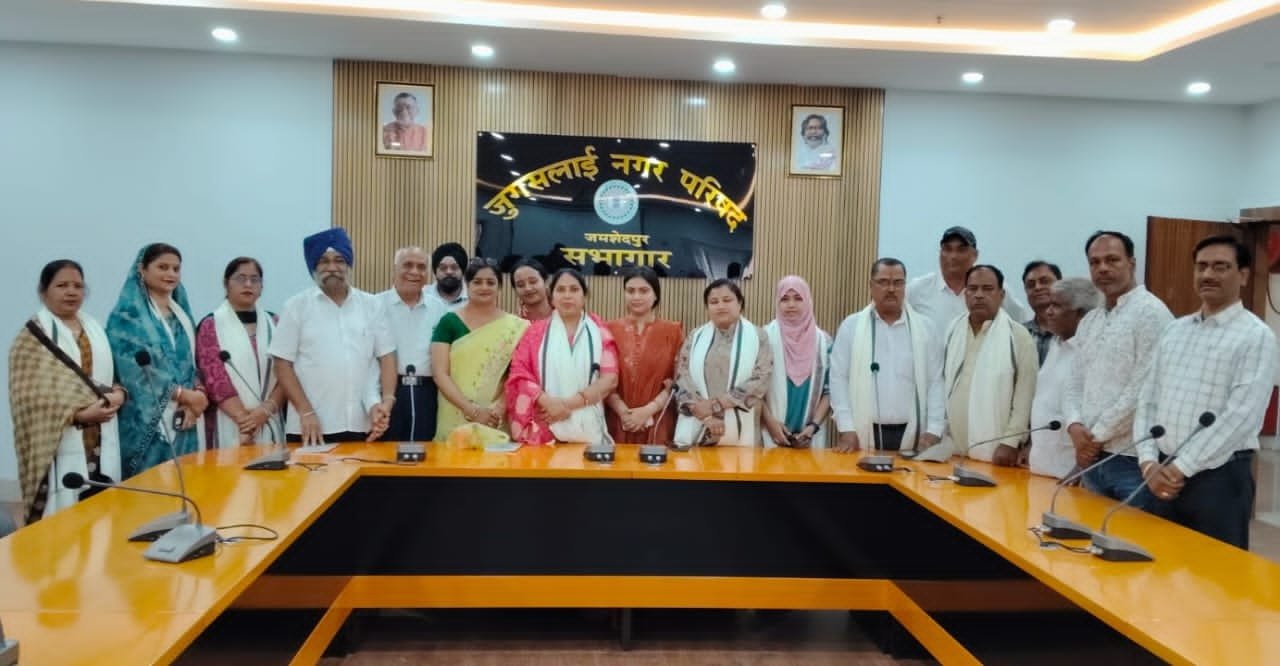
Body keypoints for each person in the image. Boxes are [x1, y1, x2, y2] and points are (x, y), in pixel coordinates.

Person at [1136, 235, 1279, 549]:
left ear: (1243, 275)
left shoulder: (1256, 336)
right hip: (1161, 471)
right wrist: (1147, 462)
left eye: (1220, 266)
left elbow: (1240, 417)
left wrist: (1180, 468)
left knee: (1214, 571)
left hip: (1219, 478)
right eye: (1201, 266)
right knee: (1160, 561)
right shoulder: (1174, 330)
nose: (1208, 274)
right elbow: (1147, 399)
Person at [10, 260, 126, 524]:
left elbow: (114, 377)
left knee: (101, 519)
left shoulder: (95, 329)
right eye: (62, 285)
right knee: (65, 520)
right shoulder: (32, 337)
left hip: (101, 437)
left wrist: (119, 394)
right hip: (60, 441)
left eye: (78, 286)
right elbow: (29, 397)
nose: (71, 292)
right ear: (43, 291)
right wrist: (78, 415)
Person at [1064, 231, 1174, 506]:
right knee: (1091, 533)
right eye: (1095, 262)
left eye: (1112, 260)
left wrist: (1095, 438)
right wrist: (1074, 425)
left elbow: (1143, 389)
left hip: (1132, 460)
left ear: (1132, 263)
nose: (1102, 268)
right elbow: (1074, 381)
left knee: (1133, 534)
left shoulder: (1152, 313)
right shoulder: (1090, 320)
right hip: (1092, 459)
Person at [270, 228, 397, 444]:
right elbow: (282, 364)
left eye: (339, 260)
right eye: (324, 261)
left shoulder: (372, 305)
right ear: (314, 267)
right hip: (310, 428)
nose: (332, 268)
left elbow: (387, 357)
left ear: (349, 265)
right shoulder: (296, 307)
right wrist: (305, 411)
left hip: (362, 425)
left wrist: (386, 402)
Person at [107, 243, 207, 478]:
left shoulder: (182, 314)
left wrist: (197, 396)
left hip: (187, 415)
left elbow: (193, 362)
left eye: (176, 268)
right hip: (146, 421)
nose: (170, 274)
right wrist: (183, 395)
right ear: (142, 269)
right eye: (162, 267)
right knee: (150, 490)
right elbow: (133, 371)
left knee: (186, 485)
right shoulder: (126, 317)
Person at [831, 258, 945, 454]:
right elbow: (838, 379)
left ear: (905, 286)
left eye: (898, 283)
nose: (891, 289)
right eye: (883, 282)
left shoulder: (926, 329)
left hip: (915, 433)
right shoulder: (852, 327)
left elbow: (936, 381)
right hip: (862, 432)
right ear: (871, 286)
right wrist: (846, 427)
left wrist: (934, 430)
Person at [506, 269, 619, 445]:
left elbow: (609, 380)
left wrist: (566, 406)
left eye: (574, 289)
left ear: (584, 296)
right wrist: (549, 404)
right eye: (561, 290)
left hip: (589, 430)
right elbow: (519, 373)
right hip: (545, 427)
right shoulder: (534, 332)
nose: (567, 295)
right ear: (552, 297)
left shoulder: (599, 331)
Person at [941, 265, 1038, 465]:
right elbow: (943, 383)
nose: (979, 295)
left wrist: (1010, 442)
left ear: (1001, 295)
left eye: (987, 289)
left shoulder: (1018, 336)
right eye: (973, 289)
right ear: (965, 294)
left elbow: (1024, 397)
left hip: (996, 450)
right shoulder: (953, 329)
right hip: (952, 448)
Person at [432, 258, 529, 438]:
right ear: (467, 285)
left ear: (499, 287)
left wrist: (499, 408)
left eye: (490, 282)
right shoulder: (449, 322)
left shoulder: (517, 327)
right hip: (455, 411)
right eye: (477, 282)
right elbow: (440, 374)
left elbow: (517, 375)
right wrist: (471, 410)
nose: (484, 287)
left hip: (495, 417)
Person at [195, 257, 285, 446]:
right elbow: (215, 379)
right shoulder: (211, 325)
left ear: (261, 286)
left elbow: (286, 374)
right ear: (226, 283)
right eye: (240, 278)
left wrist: (265, 412)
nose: (248, 284)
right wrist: (246, 423)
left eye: (255, 279)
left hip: (270, 418)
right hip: (229, 421)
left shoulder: (275, 323)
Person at [673, 279, 773, 447]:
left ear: (740, 303)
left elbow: (761, 379)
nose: (720, 306)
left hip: (742, 428)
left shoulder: (758, 336)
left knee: (740, 464)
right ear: (707, 308)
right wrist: (706, 416)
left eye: (727, 300)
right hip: (700, 421)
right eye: (714, 302)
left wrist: (716, 405)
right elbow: (682, 376)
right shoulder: (695, 336)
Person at [605, 266, 684, 445]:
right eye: (630, 291)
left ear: (655, 295)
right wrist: (624, 412)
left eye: (644, 291)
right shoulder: (609, 329)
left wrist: (647, 411)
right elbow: (602, 378)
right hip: (617, 420)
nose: (636, 297)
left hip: (659, 419)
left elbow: (678, 380)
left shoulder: (673, 332)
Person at [1028, 278, 1098, 479]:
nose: (1048, 311)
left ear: (1080, 314)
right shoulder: (1055, 344)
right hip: (1040, 466)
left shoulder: (1092, 351)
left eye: (1056, 306)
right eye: (1048, 305)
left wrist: (1082, 468)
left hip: (1069, 471)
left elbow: (1093, 417)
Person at [377, 246, 448, 441]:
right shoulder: (375, 305)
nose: (415, 272)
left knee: (425, 452)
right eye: (407, 265)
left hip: (427, 393)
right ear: (395, 268)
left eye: (421, 267)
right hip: (387, 393)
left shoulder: (439, 308)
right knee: (385, 453)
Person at [907, 227, 1030, 331]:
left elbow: (1021, 323)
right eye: (947, 249)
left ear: (975, 255)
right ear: (940, 253)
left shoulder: (993, 288)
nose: (953, 256)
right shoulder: (917, 289)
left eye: (961, 250)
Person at [761, 276, 831, 449]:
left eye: (798, 298)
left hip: (811, 435)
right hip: (770, 432)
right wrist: (771, 424)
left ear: (808, 301)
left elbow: (830, 391)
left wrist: (813, 426)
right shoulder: (763, 338)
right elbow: (753, 390)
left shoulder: (824, 342)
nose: (791, 305)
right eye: (784, 299)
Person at [1022, 260, 1061, 364]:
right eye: (1031, 285)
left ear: (1060, 284)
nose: (1037, 287)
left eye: (1044, 281)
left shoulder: (1075, 331)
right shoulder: (1017, 333)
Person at [427, 242, 468, 308]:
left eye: (454, 267)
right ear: (435, 272)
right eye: (443, 268)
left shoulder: (474, 297)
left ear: (463, 271)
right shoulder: (422, 296)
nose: (449, 272)